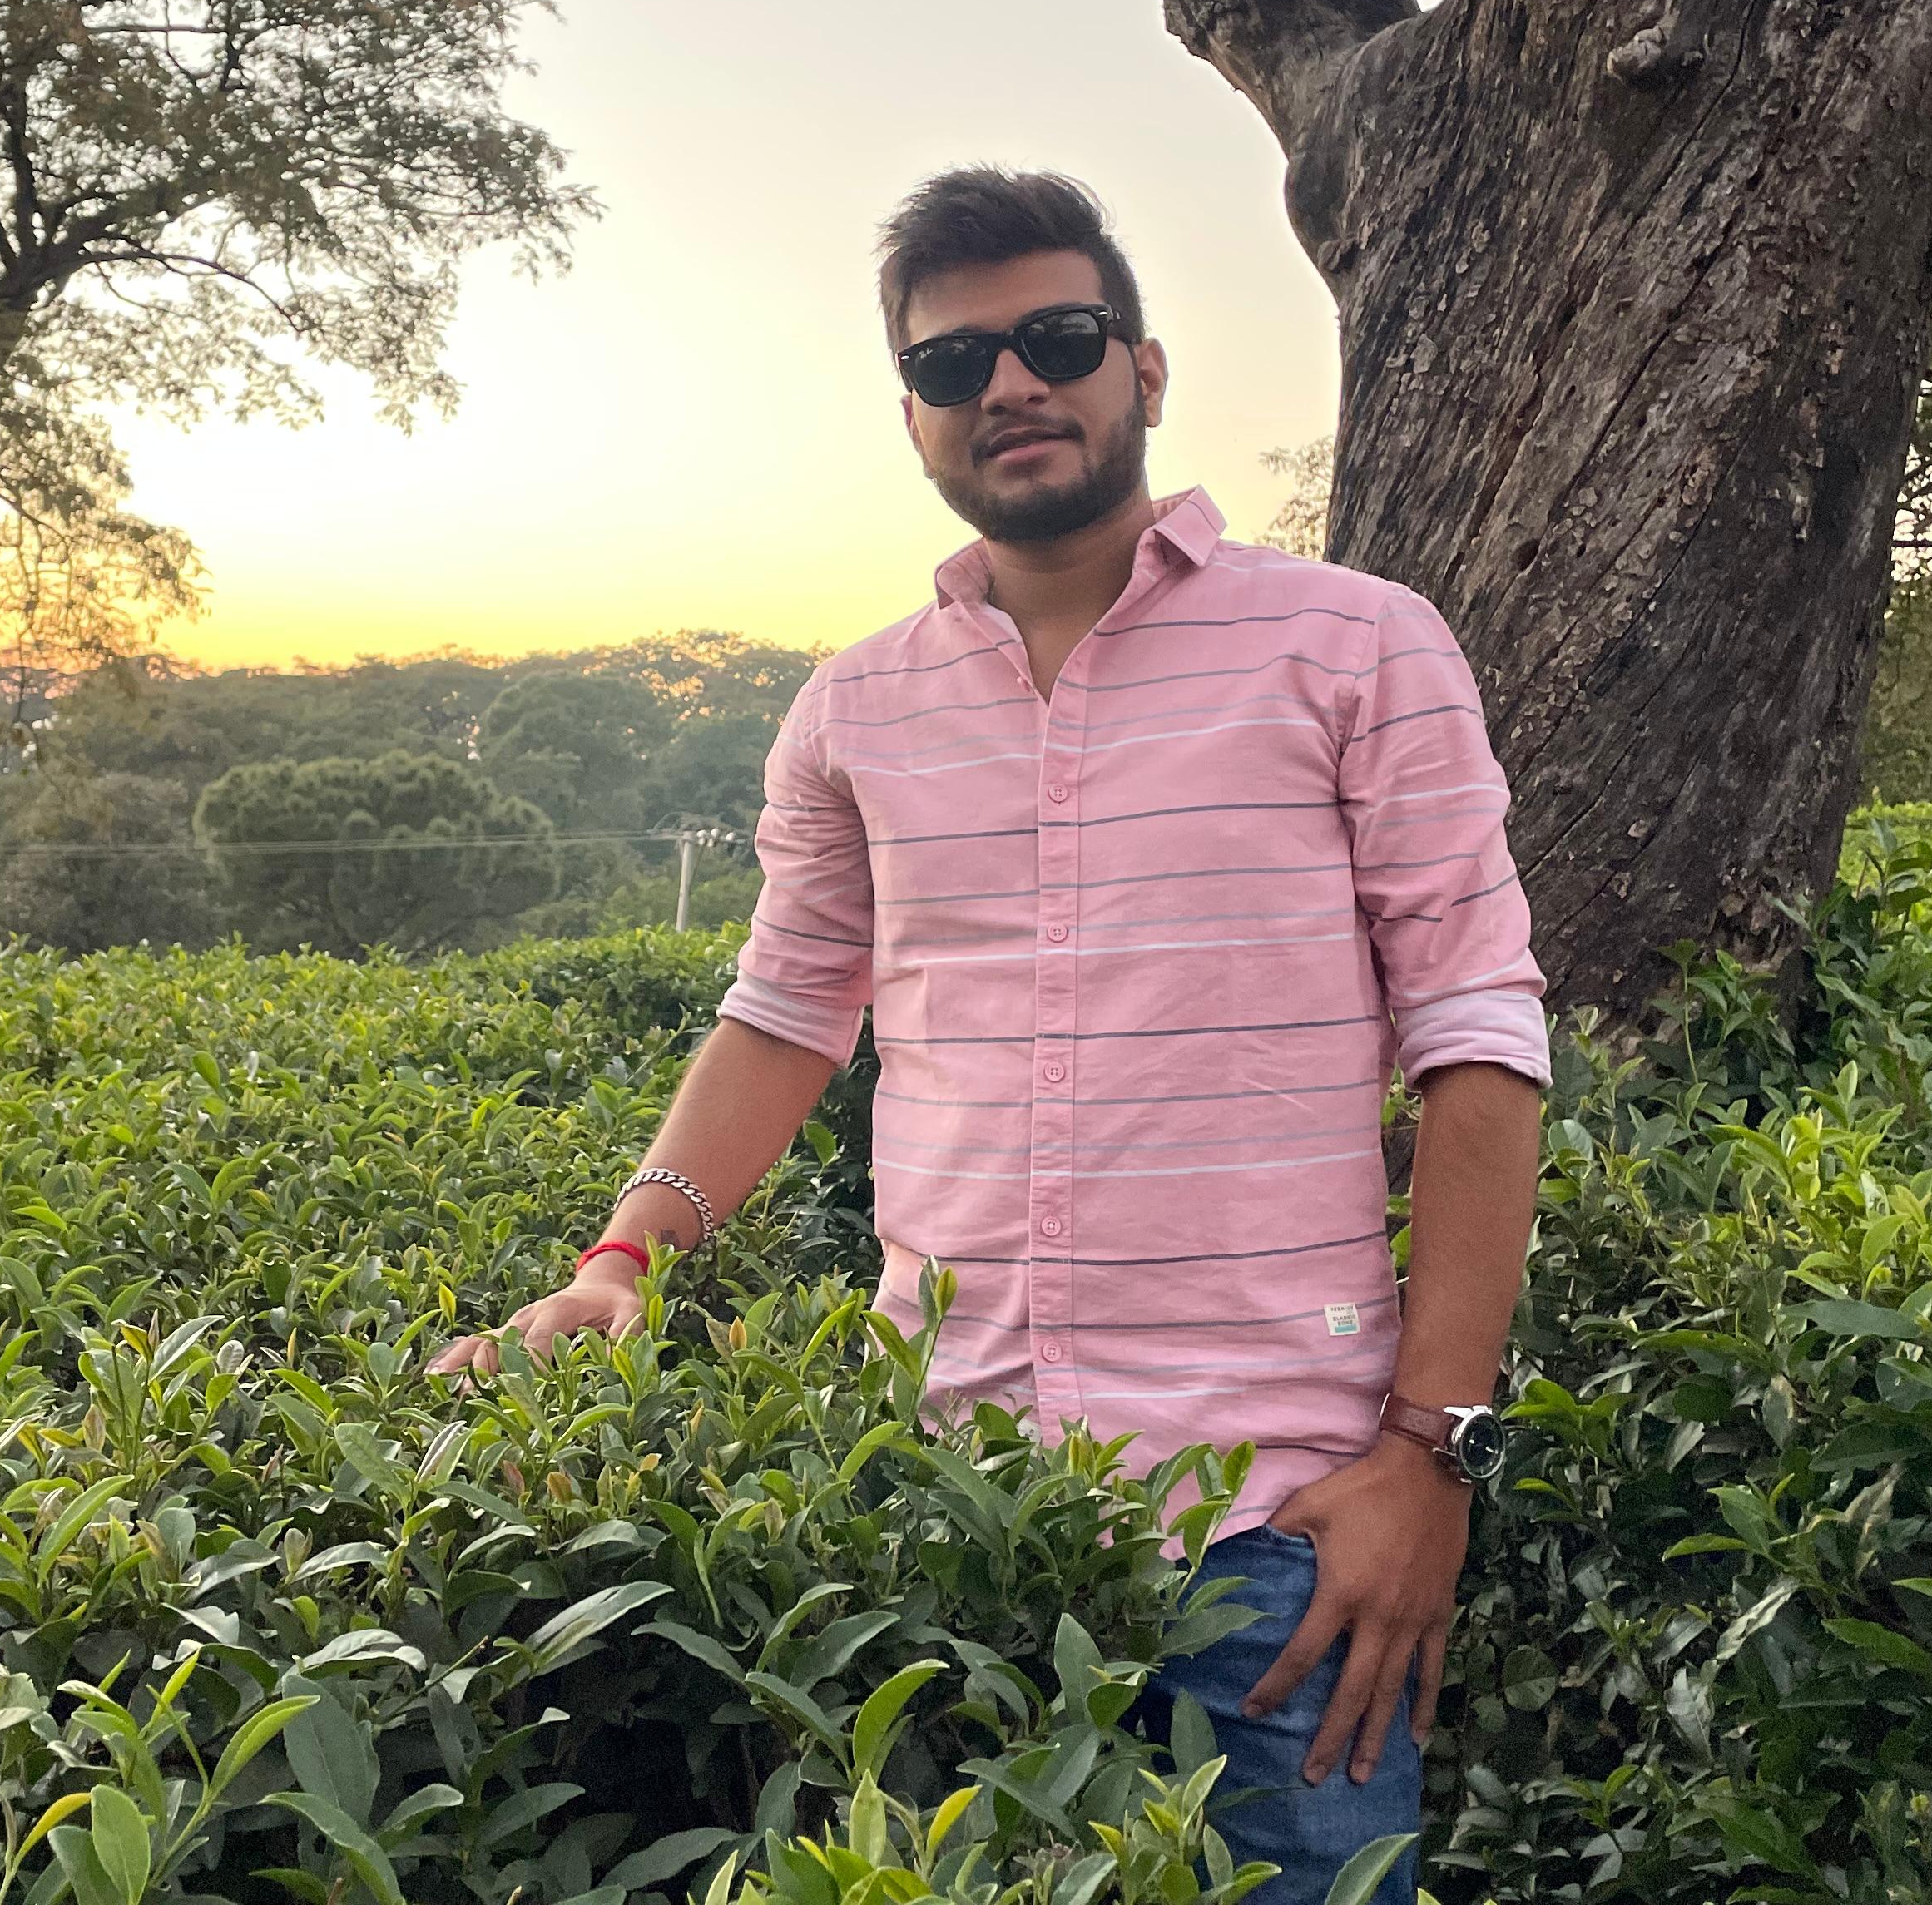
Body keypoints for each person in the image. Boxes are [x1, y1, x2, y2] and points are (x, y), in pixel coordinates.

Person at [431, 168, 1548, 1905]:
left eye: (1058, 339)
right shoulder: (855, 709)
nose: (1011, 385)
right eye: (956, 364)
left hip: (1282, 1527)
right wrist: (622, 1259)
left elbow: (1478, 1037)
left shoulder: (1355, 646)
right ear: (915, 418)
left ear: (1144, 369)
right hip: (941, 1513)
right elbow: (785, 1014)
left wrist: (1431, 1455)